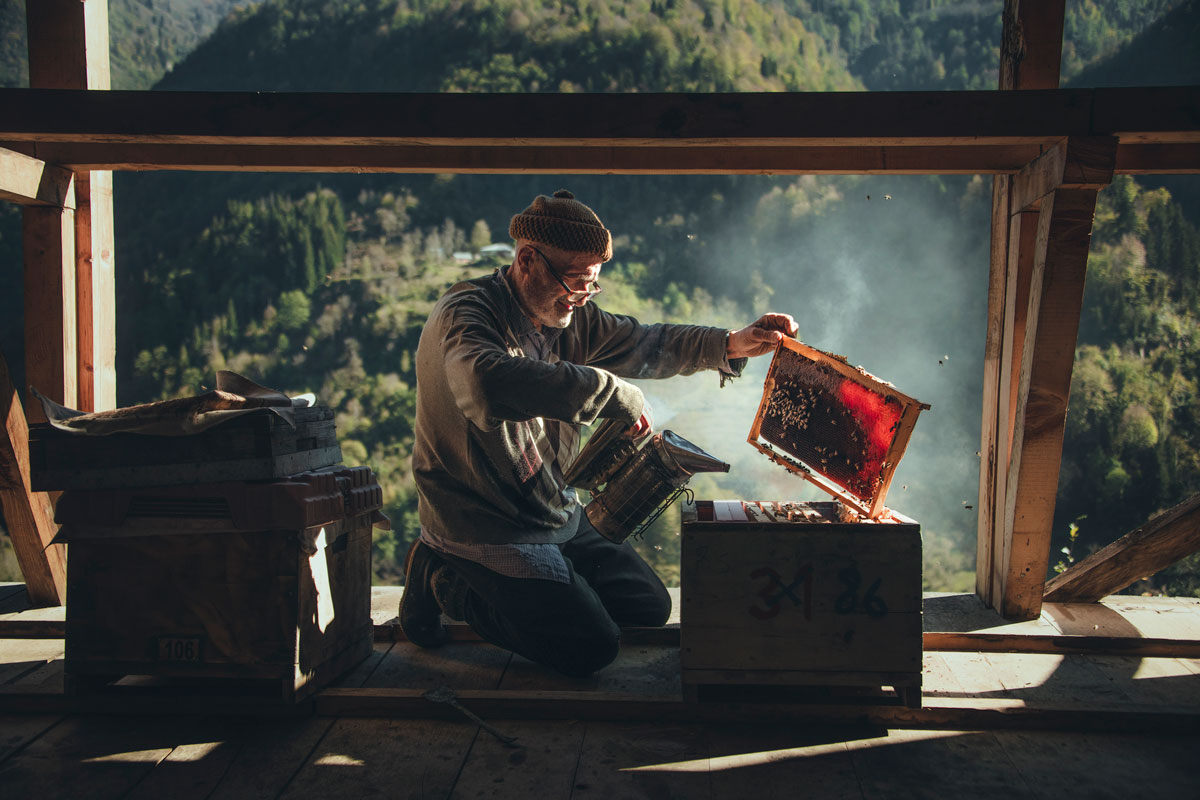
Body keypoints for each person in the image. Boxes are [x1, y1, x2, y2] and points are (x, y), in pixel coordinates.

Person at [401, 189, 797, 676]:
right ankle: (444, 580)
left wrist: (731, 345)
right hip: (485, 517)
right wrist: (607, 390)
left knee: (647, 609)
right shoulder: (466, 315)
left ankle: (540, 580)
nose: (582, 297)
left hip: (548, 503)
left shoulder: (570, 315)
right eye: (574, 282)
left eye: (591, 285)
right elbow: (484, 384)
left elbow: (645, 341)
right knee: (591, 648)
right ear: (527, 260)